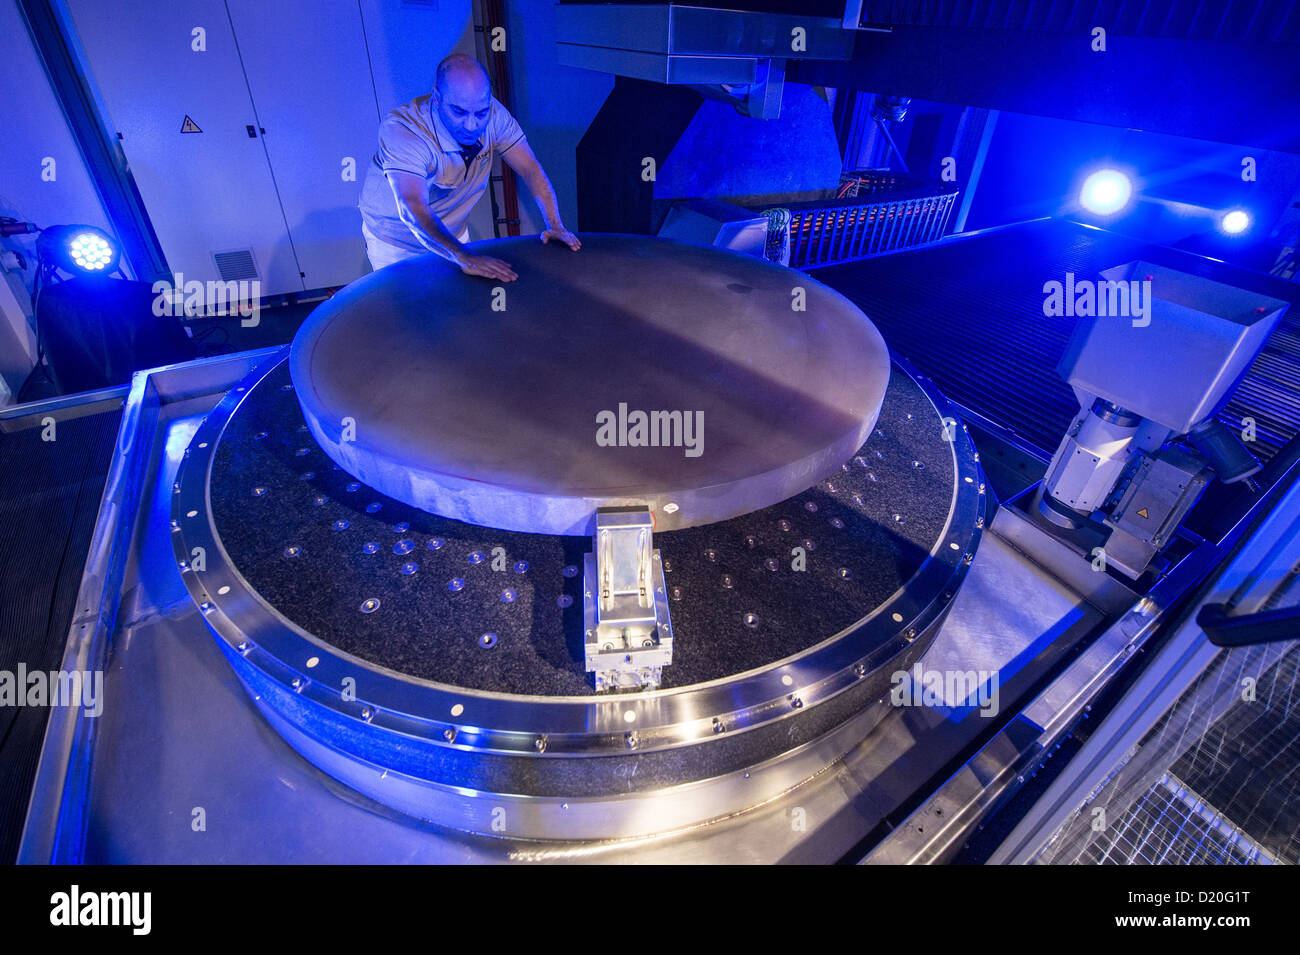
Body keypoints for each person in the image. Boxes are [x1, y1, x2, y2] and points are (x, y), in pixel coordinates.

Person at [358, 54, 580, 281]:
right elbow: (412, 206)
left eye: (481, 113)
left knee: (459, 308)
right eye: (459, 112)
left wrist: (555, 224)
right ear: (436, 98)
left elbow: (530, 169)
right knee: (411, 309)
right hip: (397, 240)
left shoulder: (494, 114)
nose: (471, 125)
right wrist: (463, 256)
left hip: (451, 232)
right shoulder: (404, 129)